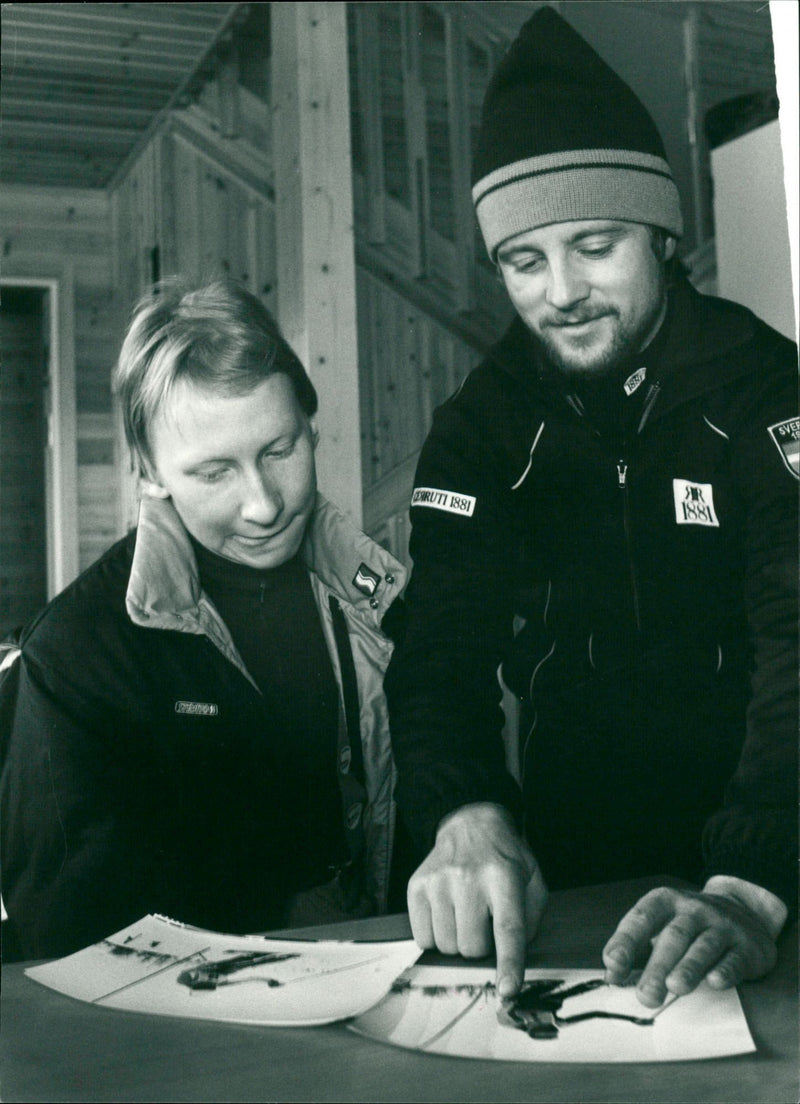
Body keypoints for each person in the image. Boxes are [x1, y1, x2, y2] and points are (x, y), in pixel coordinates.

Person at [385, 6, 798, 1010]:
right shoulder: (480, 428)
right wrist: (465, 810)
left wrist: (749, 884)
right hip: (571, 877)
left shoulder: (764, 392)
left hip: (768, 861)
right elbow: (437, 647)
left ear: (660, 235)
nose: (560, 290)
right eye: (523, 260)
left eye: (594, 244)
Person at [1, 279, 407, 959]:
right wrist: (283, 907)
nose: (263, 505)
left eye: (280, 451)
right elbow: (73, 932)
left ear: (311, 424)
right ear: (148, 472)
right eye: (213, 473)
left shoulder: (381, 597)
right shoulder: (73, 655)